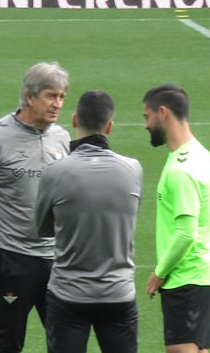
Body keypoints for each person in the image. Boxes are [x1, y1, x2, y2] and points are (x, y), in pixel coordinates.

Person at [0, 62, 70, 353]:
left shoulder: (62, 138)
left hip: (58, 261)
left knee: (66, 343)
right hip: (12, 260)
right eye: (51, 96)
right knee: (8, 343)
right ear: (30, 97)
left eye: (61, 97)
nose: (58, 104)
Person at [35, 90, 143, 353]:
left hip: (68, 295)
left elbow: (42, 228)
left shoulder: (54, 172)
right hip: (118, 293)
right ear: (110, 126)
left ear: (74, 120)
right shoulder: (133, 169)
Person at [142, 84, 210, 353]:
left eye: (147, 117)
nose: (146, 125)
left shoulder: (181, 169)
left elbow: (186, 233)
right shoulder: (200, 153)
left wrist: (159, 273)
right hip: (201, 275)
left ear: (163, 112)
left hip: (187, 277)